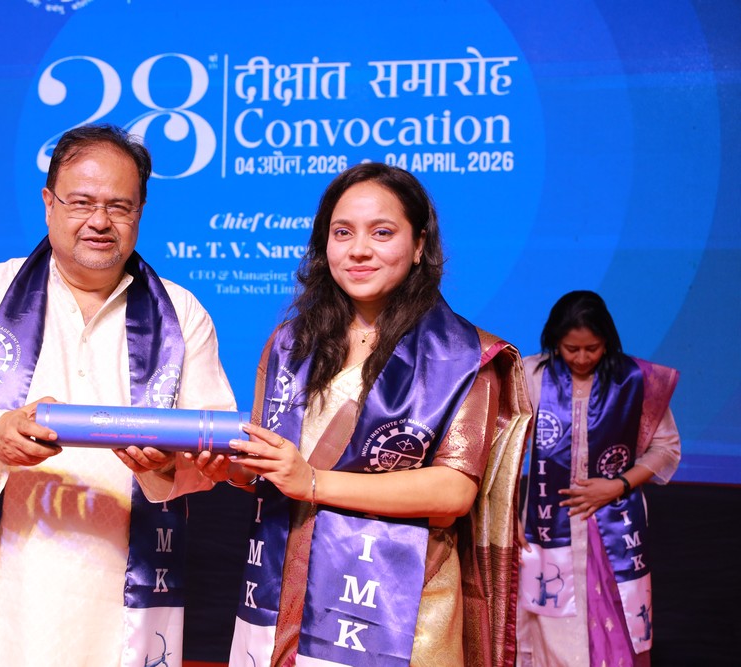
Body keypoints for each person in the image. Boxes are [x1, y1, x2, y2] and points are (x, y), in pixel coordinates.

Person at [0, 124, 236, 667]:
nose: (100, 221)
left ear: (140, 212)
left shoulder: (181, 314)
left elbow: (214, 438)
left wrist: (169, 466)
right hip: (2, 592)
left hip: (119, 595)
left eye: (119, 206)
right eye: (81, 202)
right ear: (49, 203)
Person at [195, 163, 532, 666]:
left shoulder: (462, 357)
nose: (358, 250)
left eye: (382, 232)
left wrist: (312, 482)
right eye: (342, 232)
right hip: (285, 589)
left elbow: (452, 492)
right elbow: (269, 467)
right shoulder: (291, 344)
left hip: (401, 611)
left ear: (419, 245)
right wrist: (233, 469)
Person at [516, 291, 681, 667]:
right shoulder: (532, 375)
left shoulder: (636, 380)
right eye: (570, 349)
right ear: (554, 341)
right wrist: (510, 514)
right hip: (548, 520)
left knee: (617, 613)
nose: (581, 358)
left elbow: (666, 449)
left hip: (613, 521)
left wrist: (617, 485)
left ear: (607, 340)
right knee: (551, 615)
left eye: (592, 348)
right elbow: (508, 448)